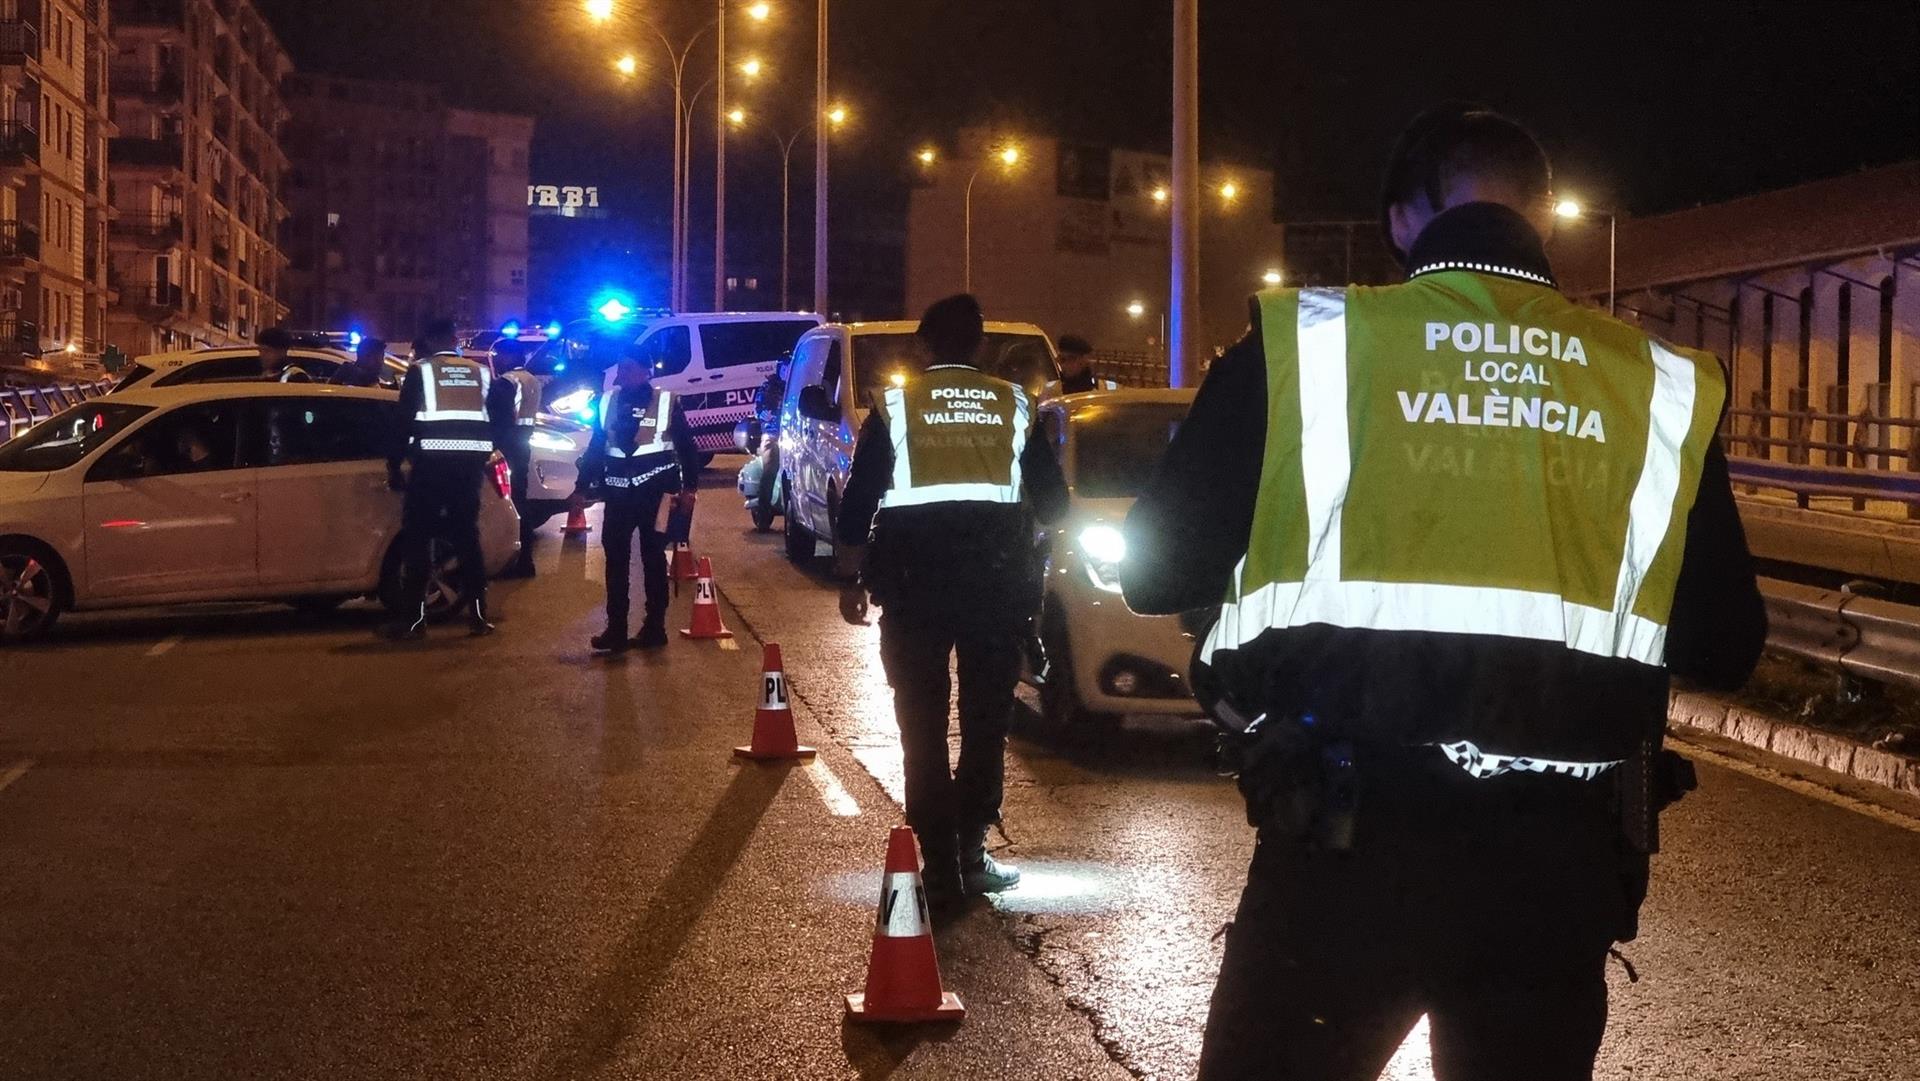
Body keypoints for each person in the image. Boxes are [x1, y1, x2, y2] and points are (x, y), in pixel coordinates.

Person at [1120, 106, 1767, 1081]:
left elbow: (1154, 572)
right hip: (1557, 868)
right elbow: (1726, 642)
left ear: (1400, 221)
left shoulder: (1307, 349)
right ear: (1543, 216)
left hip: (1343, 849)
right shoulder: (1657, 383)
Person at [835, 294, 1070, 908]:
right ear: (980, 345)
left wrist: (851, 578)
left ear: (926, 346)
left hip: (913, 588)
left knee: (922, 724)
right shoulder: (1014, 404)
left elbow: (859, 501)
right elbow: (1055, 506)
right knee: (986, 723)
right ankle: (971, 851)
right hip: (995, 589)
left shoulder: (896, 406)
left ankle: (935, 861)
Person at [572, 343, 699, 653]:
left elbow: (687, 448)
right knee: (615, 563)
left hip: (656, 496)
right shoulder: (607, 402)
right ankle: (616, 630)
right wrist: (580, 488)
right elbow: (595, 449)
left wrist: (690, 489)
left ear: (646, 371)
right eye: (620, 367)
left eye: (628, 368)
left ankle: (654, 628)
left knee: (653, 561)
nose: (622, 374)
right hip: (617, 496)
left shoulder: (666, 402)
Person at [383, 318, 497, 641]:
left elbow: (402, 421)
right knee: (467, 539)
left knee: (418, 540)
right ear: (454, 338)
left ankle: (415, 622)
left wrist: (393, 464)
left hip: (431, 467)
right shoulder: (480, 372)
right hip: (469, 469)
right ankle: (478, 617)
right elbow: (491, 417)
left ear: (432, 340)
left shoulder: (422, 371)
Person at [488, 339, 542, 579]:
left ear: (510, 356)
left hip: (506, 446)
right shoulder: (532, 379)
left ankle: (515, 559)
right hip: (522, 444)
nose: (495, 359)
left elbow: (497, 418)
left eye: (499, 355)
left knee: (507, 503)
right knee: (521, 500)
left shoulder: (506, 382)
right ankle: (525, 558)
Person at [1048, 335, 1115, 395]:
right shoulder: (1052, 392)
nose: (1063, 365)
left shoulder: (1102, 390)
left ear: (1083, 360)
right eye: (1061, 360)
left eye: (1070, 359)